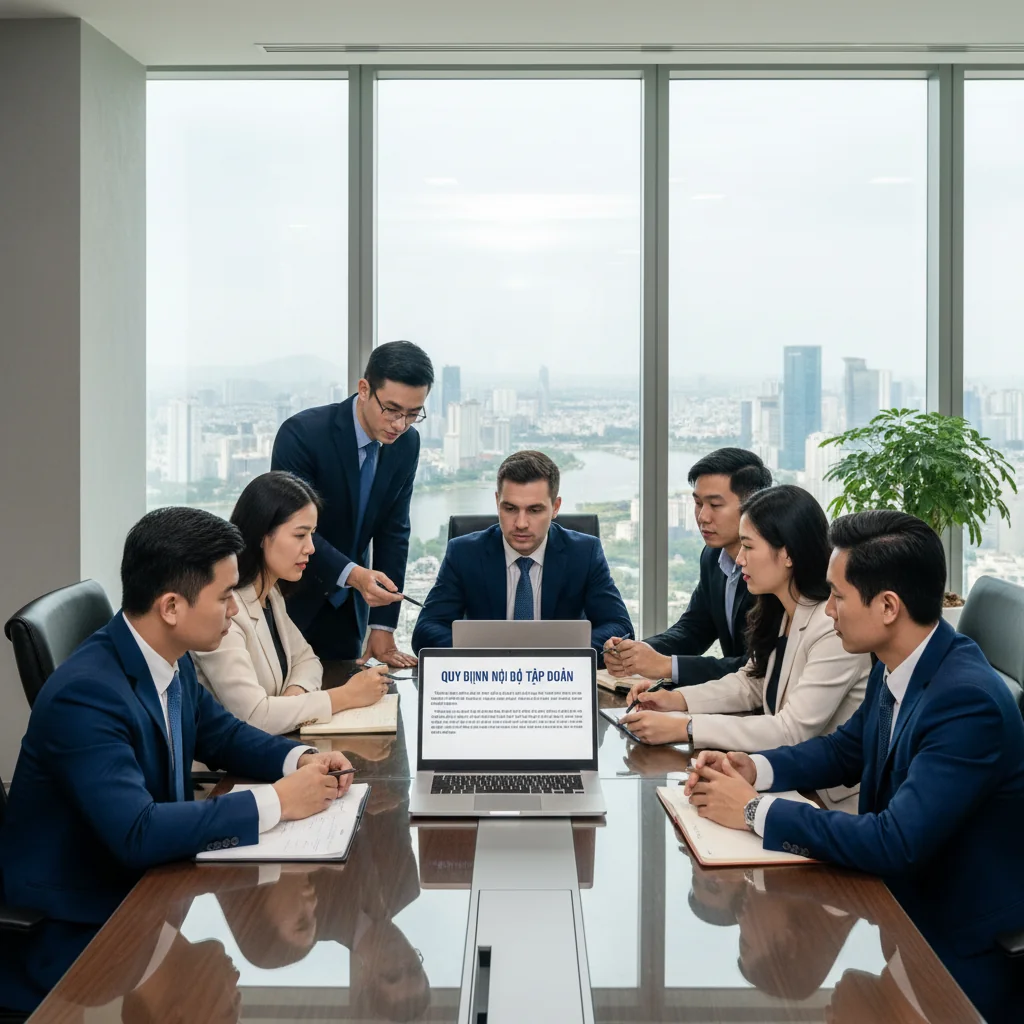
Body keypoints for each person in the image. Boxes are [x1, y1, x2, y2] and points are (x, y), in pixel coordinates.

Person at [685, 510, 1024, 1024]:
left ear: (888, 606)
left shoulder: (965, 701)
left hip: (951, 945)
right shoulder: (903, 664)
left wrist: (753, 812)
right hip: (899, 916)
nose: (830, 612)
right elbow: (844, 751)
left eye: (839, 597)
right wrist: (752, 768)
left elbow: (894, 842)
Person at [0, 507, 355, 929]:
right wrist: (279, 801)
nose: (235, 612)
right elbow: (137, 832)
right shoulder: (83, 695)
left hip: (155, 891)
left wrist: (300, 759)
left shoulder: (170, 654)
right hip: (81, 926)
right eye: (224, 597)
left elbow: (220, 734)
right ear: (171, 606)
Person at [622, 486, 869, 810]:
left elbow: (789, 730)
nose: (738, 559)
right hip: (786, 784)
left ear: (788, 554)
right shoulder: (784, 609)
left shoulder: (832, 628)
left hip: (826, 802)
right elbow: (751, 681)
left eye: (749, 547)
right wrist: (677, 700)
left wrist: (685, 726)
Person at [271, 340, 434, 666]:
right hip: (290, 599)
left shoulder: (406, 445)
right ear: (364, 389)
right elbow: (291, 528)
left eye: (413, 414)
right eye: (391, 409)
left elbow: (394, 531)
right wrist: (354, 574)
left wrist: (383, 624)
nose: (400, 425)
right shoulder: (304, 435)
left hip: (346, 611)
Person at [192, 471, 391, 734]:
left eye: (312, 534)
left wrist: (291, 702)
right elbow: (254, 717)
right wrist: (346, 696)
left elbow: (307, 660)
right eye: (300, 535)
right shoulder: (225, 611)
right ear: (262, 536)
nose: (311, 548)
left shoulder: (270, 594)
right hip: (224, 772)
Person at [410, 450, 633, 658]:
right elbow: (426, 630)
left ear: (555, 507)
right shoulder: (464, 553)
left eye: (534, 510)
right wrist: (493, 657)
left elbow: (620, 628)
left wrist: (554, 655)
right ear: (497, 502)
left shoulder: (584, 553)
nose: (521, 523)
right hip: (487, 680)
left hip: (559, 680)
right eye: (510, 509)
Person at [604, 448, 772, 684]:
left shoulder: (775, 570)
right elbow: (693, 629)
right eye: (697, 503)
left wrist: (666, 665)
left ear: (753, 506)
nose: (702, 516)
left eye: (715, 505)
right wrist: (637, 652)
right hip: (732, 698)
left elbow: (760, 666)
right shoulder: (713, 557)